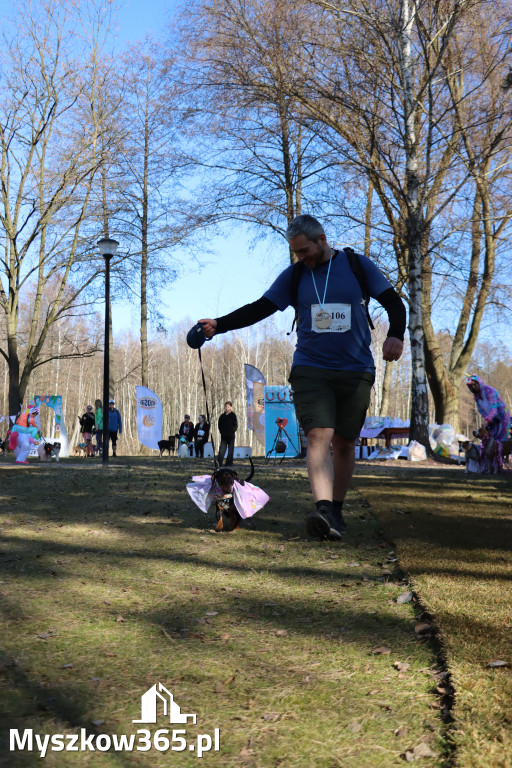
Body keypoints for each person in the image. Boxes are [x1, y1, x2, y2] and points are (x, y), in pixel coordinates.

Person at [198, 214, 405, 539]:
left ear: (322, 240)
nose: (302, 257)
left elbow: (394, 302)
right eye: (296, 252)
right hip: (311, 369)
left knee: (346, 442)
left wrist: (396, 334)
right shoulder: (295, 275)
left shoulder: (356, 265)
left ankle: (335, 511)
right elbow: (261, 307)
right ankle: (323, 510)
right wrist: (220, 325)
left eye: (305, 250)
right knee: (319, 436)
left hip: (356, 369)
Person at [466, 375, 510, 472]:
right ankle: (490, 466)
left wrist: (487, 421)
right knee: (490, 441)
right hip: (492, 420)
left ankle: (499, 464)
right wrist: (487, 419)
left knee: (500, 442)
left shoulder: (489, 391)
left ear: (479, 383)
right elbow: (481, 410)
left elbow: (493, 410)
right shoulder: (476, 397)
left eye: (474, 384)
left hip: (502, 418)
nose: (473, 387)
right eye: (470, 386)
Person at [217, 401, 238, 467]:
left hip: (231, 436)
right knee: (221, 450)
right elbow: (219, 425)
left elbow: (235, 425)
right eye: (226, 407)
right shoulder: (222, 416)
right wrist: (221, 432)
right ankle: (219, 463)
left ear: (231, 407)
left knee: (230, 450)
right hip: (224, 436)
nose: (227, 408)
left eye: (228, 407)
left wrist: (232, 431)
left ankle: (228, 464)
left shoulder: (233, 415)